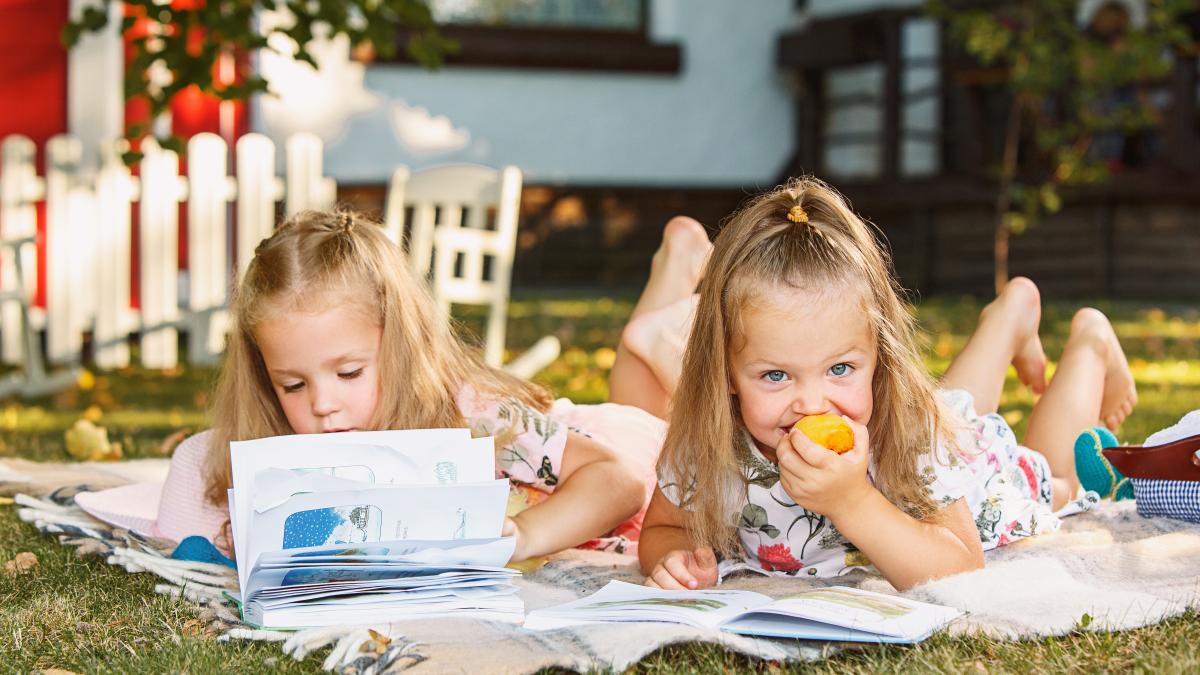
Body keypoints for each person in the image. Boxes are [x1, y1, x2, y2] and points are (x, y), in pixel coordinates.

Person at [635, 176, 1137, 592]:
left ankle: (1089, 343)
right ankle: (1011, 315)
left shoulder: (910, 430)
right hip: (946, 431)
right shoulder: (704, 441)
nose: (812, 403)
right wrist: (675, 557)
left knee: (1057, 478)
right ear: (725, 372)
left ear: (879, 357)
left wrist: (851, 501)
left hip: (977, 474)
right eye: (776, 375)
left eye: (840, 369)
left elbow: (962, 567)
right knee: (955, 410)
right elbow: (662, 528)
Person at [153, 209, 675, 562]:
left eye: (349, 373)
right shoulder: (277, 437)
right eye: (292, 385)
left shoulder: (472, 415)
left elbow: (621, 482)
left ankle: (661, 309)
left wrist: (524, 537)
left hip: (609, 444)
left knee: (660, 419)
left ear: (400, 346)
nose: (323, 404)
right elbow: (199, 480)